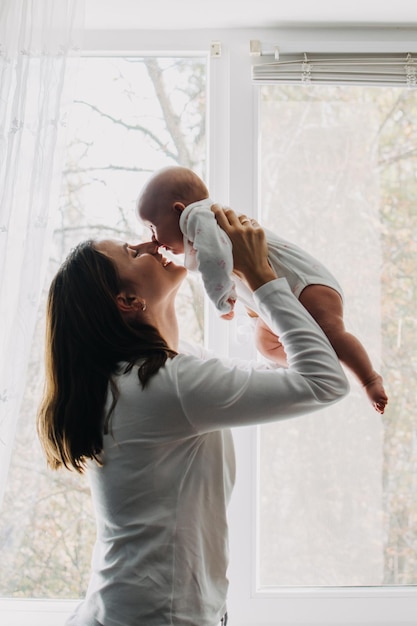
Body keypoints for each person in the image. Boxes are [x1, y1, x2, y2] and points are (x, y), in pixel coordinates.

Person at [37, 208, 349, 626]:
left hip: (126, 610)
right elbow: (324, 382)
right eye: (134, 251)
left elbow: (292, 375)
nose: (150, 244)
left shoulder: (159, 371)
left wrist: (250, 290)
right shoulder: (163, 384)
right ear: (129, 301)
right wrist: (260, 275)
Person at [137, 166, 388, 414]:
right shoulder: (200, 227)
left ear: (179, 210)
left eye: (152, 226)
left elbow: (213, 264)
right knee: (265, 344)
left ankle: (368, 378)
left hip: (302, 282)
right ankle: (322, 360)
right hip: (280, 291)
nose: (151, 239)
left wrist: (221, 299)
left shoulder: (199, 219)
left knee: (333, 331)